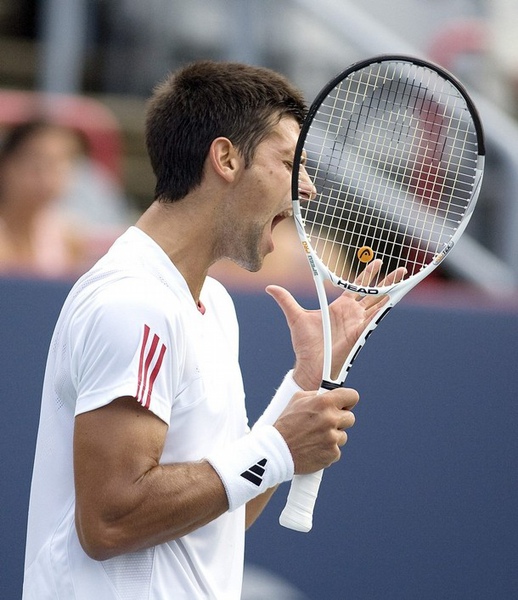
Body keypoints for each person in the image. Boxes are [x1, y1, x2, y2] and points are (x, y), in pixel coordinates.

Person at [23, 61, 398, 599]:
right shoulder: (135, 302)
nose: (309, 189)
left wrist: (303, 382)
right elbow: (109, 522)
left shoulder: (211, 303)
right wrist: (278, 447)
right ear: (225, 158)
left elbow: (225, 509)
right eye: (291, 163)